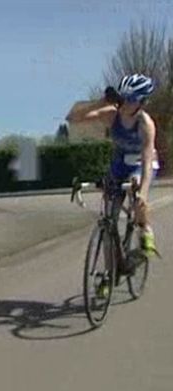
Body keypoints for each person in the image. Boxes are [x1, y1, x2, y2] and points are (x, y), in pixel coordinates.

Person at [66, 73, 159, 257]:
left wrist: (143, 193)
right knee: (109, 219)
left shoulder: (145, 124)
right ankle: (108, 275)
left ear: (141, 103)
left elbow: (148, 158)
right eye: (121, 98)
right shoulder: (111, 115)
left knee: (137, 188)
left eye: (129, 100)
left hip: (141, 164)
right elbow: (72, 118)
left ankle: (145, 228)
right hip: (120, 162)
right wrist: (101, 102)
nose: (123, 104)